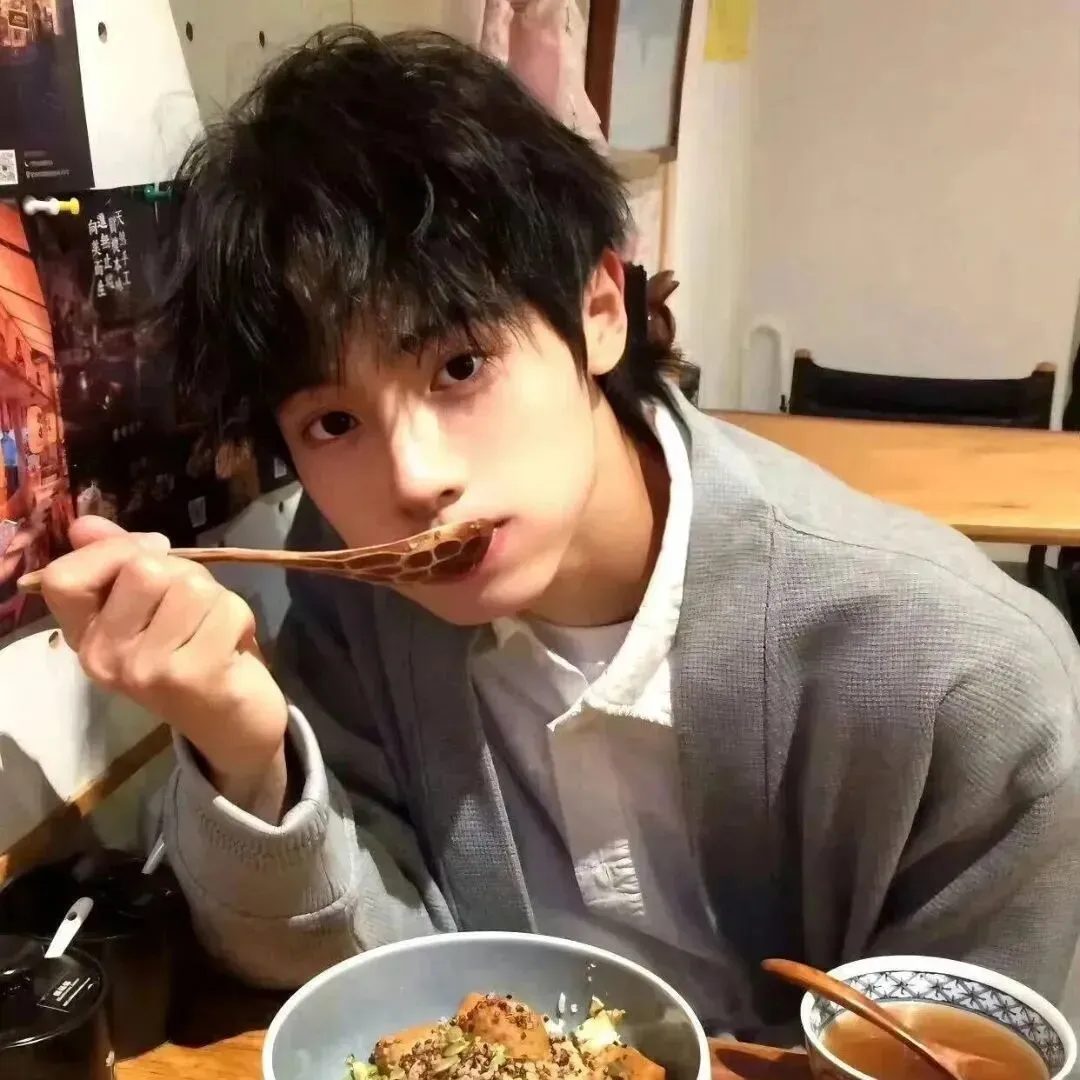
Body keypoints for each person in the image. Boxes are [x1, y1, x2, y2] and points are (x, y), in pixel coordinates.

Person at [36, 28, 1080, 1042]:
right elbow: (341, 969)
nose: (414, 480)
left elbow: (968, 1051)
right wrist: (245, 750)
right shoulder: (356, 593)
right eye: (333, 423)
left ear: (600, 310)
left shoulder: (965, 682)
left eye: (459, 367)